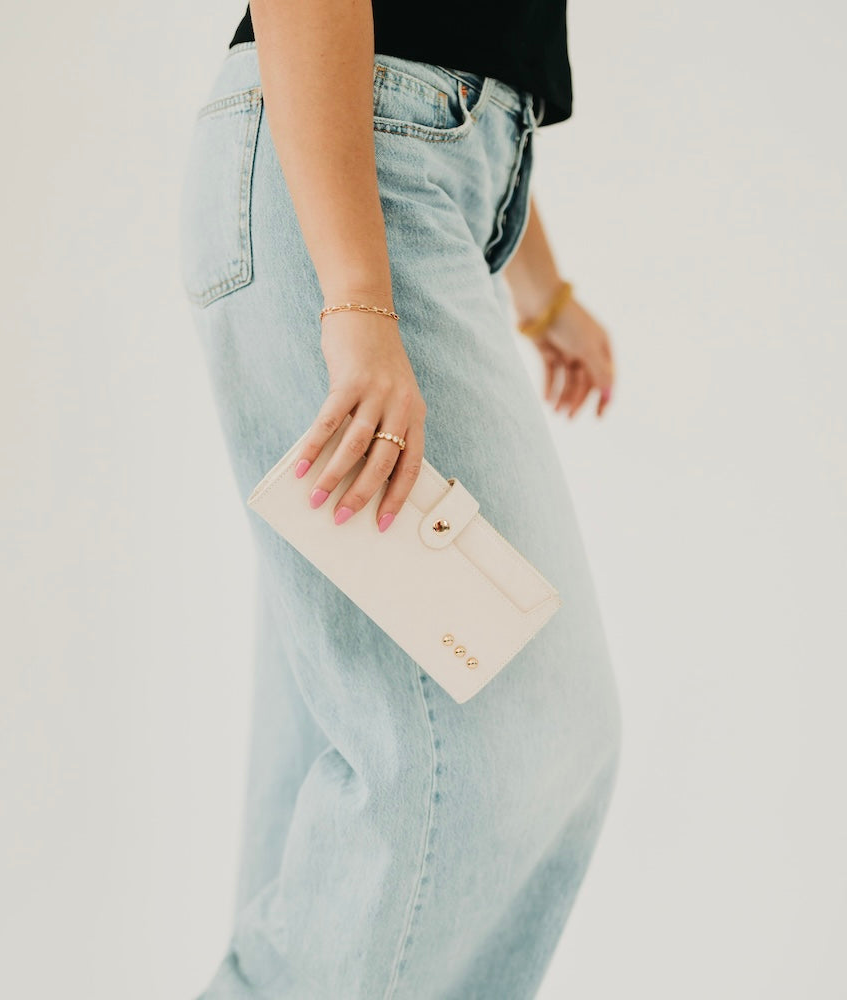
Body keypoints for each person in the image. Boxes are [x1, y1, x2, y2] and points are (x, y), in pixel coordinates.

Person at [178, 1, 622, 996]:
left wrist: (538, 286)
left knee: (349, 734)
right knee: (515, 724)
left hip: (412, 180)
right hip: (353, 178)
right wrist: (355, 297)